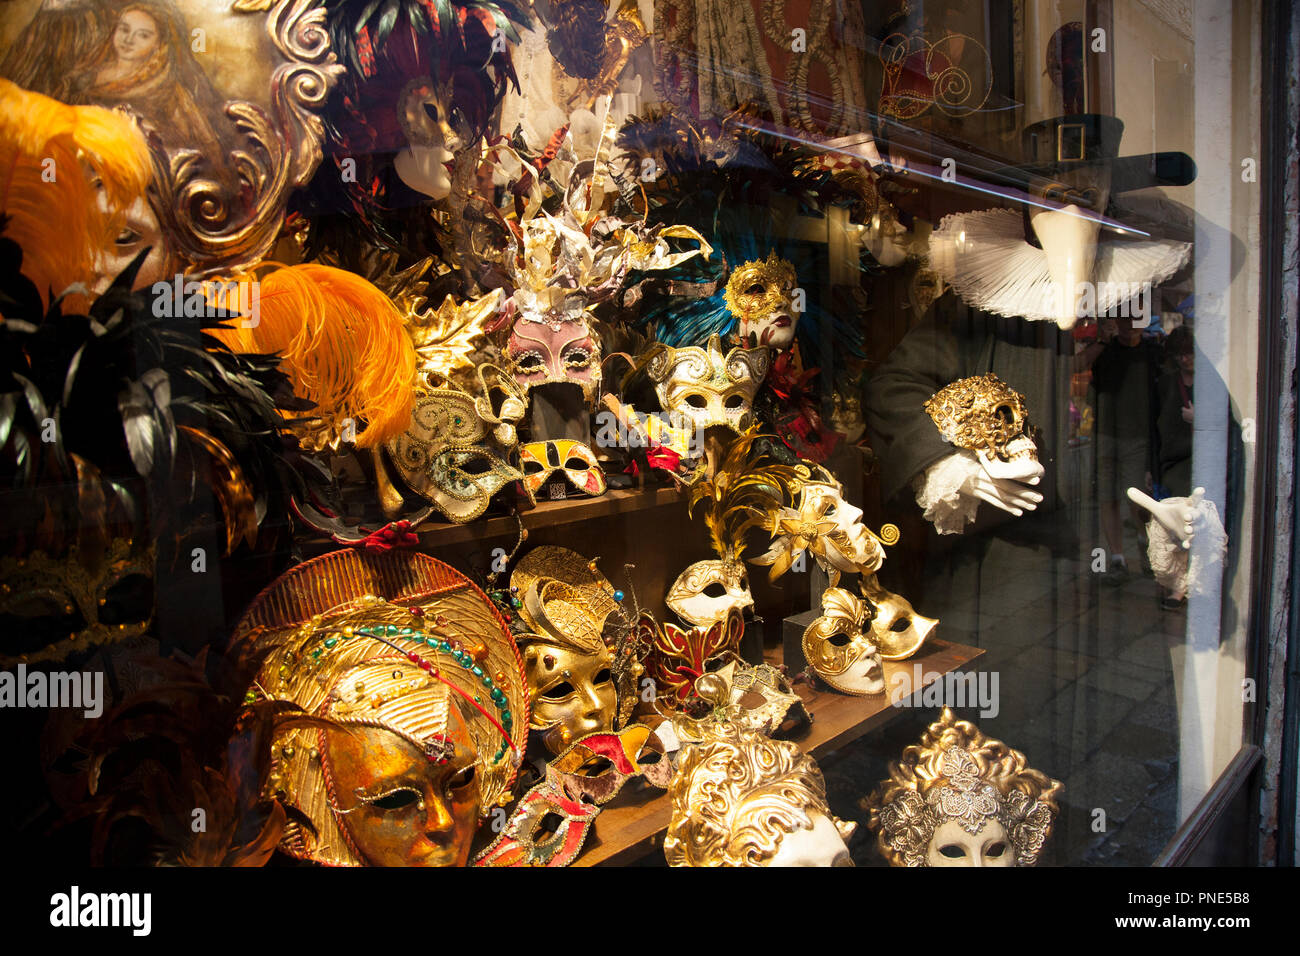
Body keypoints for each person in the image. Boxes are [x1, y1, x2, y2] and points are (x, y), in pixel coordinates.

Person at [1088, 315, 1161, 581]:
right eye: (1124, 318)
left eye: (1136, 317)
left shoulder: (1153, 352)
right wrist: (1101, 340)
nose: (1130, 323)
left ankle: (1144, 543)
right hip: (1106, 433)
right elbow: (1075, 366)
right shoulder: (1105, 350)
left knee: (1137, 500)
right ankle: (1117, 556)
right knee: (1108, 496)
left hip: (1138, 436)